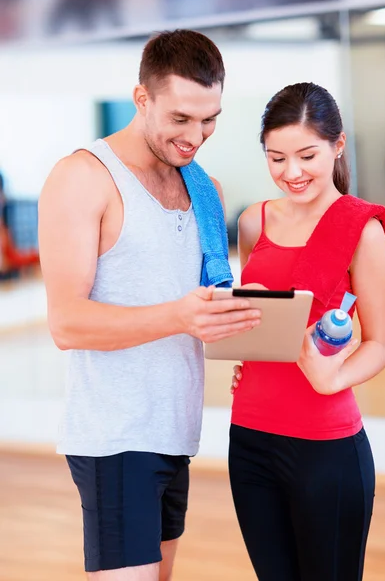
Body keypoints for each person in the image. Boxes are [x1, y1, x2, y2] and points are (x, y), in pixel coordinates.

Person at [38, 29, 261, 581]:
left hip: (175, 432)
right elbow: (67, 323)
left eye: (209, 119)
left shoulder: (205, 189)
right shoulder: (84, 178)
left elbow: (206, 303)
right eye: (180, 119)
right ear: (143, 99)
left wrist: (254, 336)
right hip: (116, 437)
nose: (196, 135)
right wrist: (180, 316)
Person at [229, 82, 385, 581]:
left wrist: (332, 378)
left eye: (306, 155)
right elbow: (258, 317)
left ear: (337, 146)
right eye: (276, 158)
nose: (291, 173)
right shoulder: (254, 222)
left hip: (326, 446)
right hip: (250, 439)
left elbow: (380, 344)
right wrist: (240, 348)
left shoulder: (361, 229)